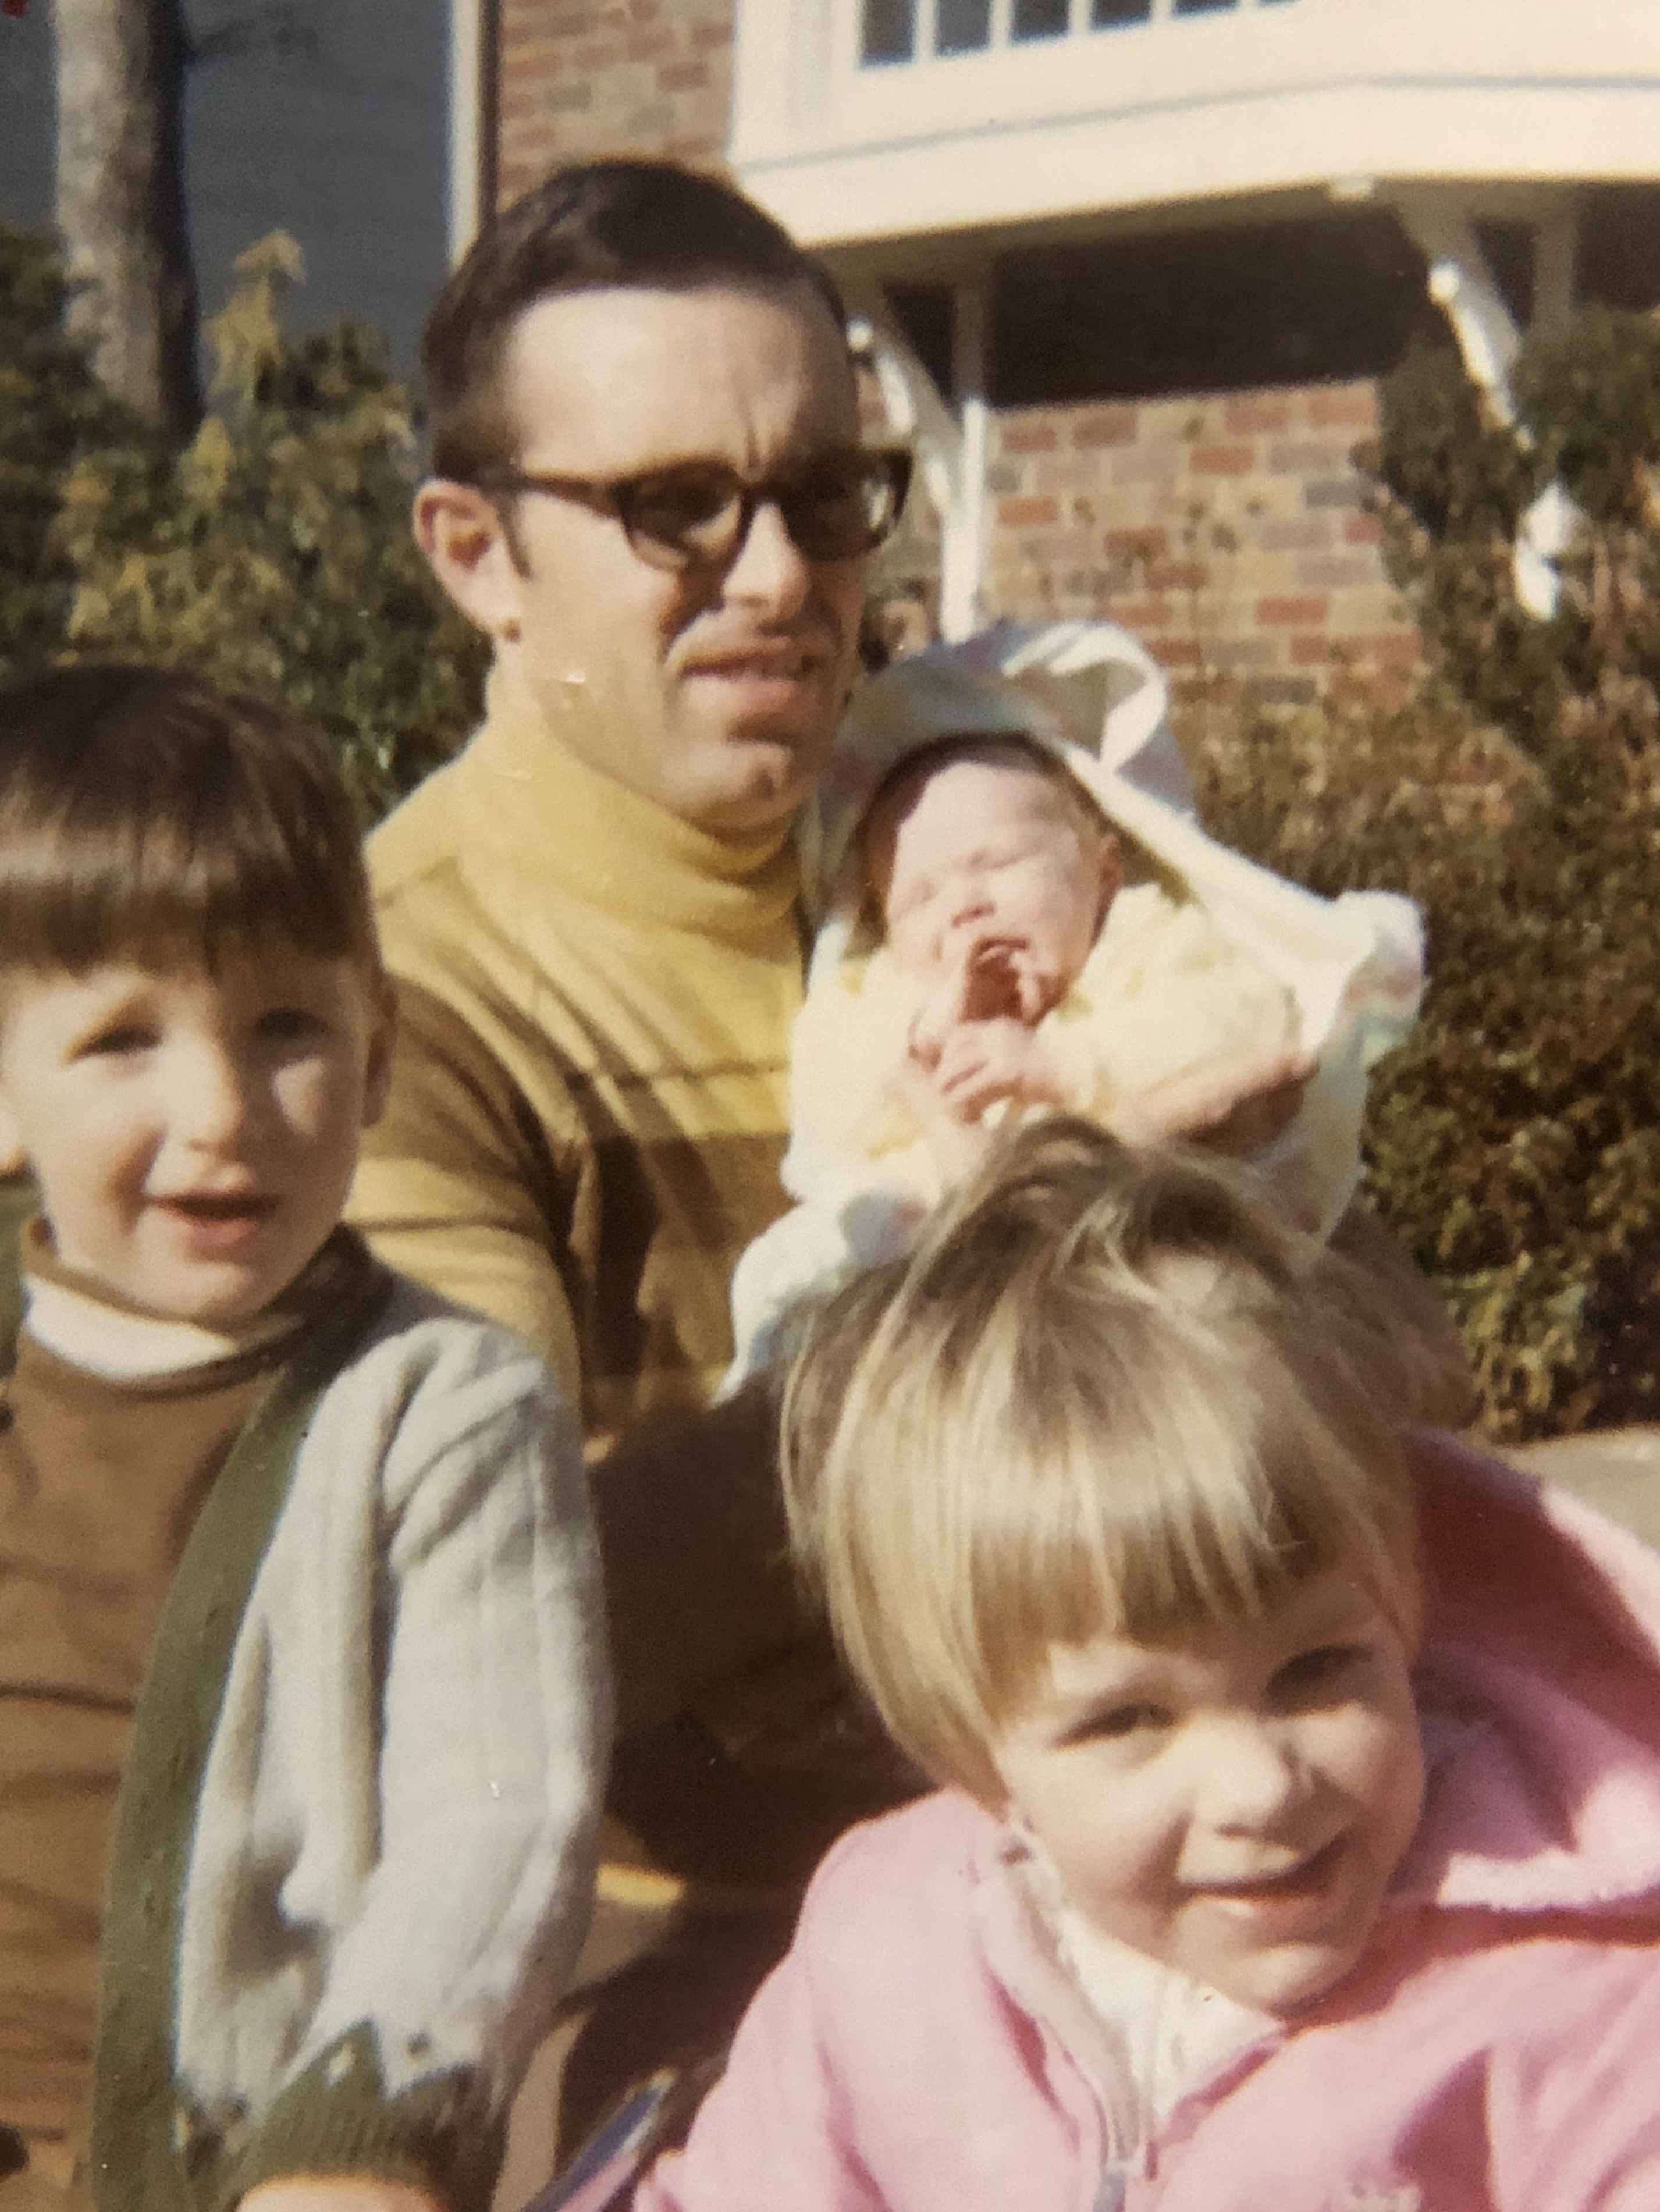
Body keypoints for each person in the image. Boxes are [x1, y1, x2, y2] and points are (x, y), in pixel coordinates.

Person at [637, 1118, 1660, 2212]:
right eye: (1128, 1720)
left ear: (1402, 1618)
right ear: (979, 1756)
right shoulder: (889, 1947)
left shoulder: (1564, 2001)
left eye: (1314, 1668)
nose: (1261, 1786)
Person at [0, 666, 609, 2212]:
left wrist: (359, 2132)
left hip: (232, 2161)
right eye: (122, 1041)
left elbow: (494, 1825)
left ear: (379, 1047)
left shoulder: (436, 1408)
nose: (221, 1107)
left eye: (285, 1025)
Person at [727, 632, 1422, 1383]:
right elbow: (829, 1123)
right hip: (934, 1252)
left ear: (1103, 870)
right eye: (918, 897)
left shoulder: (1149, 940)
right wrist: (919, 1045)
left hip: (1146, 1235)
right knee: (797, 1272)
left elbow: (1243, 1024)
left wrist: (1066, 1065)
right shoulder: (883, 999)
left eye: (997, 863)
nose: (963, 905)